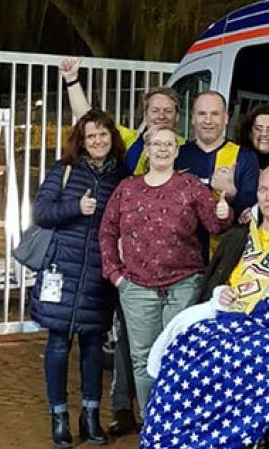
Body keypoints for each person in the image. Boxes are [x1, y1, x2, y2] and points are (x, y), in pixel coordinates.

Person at [141, 165, 269, 449]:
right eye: (263, 190)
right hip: (231, 315)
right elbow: (221, 279)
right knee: (186, 348)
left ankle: (223, 438)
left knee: (244, 357)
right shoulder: (241, 235)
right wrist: (221, 293)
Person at [59, 57, 179, 433]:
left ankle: (166, 414)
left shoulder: (180, 147)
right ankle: (124, 409)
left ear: (177, 116)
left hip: (176, 264)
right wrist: (72, 81)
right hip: (132, 263)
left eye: (168, 110)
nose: (161, 115)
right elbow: (88, 120)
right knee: (129, 340)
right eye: (155, 109)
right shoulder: (130, 142)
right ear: (145, 113)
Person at [98, 125, 233, 422]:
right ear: (146, 150)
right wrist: (116, 275)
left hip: (182, 285)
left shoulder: (190, 185)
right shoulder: (127, 189)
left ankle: (177, 422)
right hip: (136, 287)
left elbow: (215, 226)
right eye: (156, 144)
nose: (162, 149)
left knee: (180, 355)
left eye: (168, 144)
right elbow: (107, 232)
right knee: (143, 358)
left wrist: (224, 212)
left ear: (176, 150)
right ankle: (153, 423)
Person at [29, 108, 127, 447]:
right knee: (58, 344)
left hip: (99, 272)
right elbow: (41, 212)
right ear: (81, 141)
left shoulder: (122, 177)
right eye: (91, 136)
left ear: (112, 137)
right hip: (62, 269)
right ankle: (58, 417)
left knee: (92, 346)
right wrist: (75, 208)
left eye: (103, 134)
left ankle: (91, 415)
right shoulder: (65, 169)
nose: (98, 141)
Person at [175, 90, 260, 259]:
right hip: (181, 255)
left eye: (215, 114)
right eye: (202, 114)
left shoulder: (245, 157)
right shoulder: (177, 154)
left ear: (226, 118)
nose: (208, 120)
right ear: (192, 118)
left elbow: (252, 213)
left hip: (227, 256)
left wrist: (231, 193)